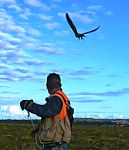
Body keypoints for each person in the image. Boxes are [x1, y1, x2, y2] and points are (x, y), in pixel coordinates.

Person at [20, 73, 71, 150]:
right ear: (60, 84)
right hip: (58, 144)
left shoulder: (56, 99)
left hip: (55, 146)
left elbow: (45, 111)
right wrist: (38, 129)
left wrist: (28, 105)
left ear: (47, 86)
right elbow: (54, 119)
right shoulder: (62, 98)